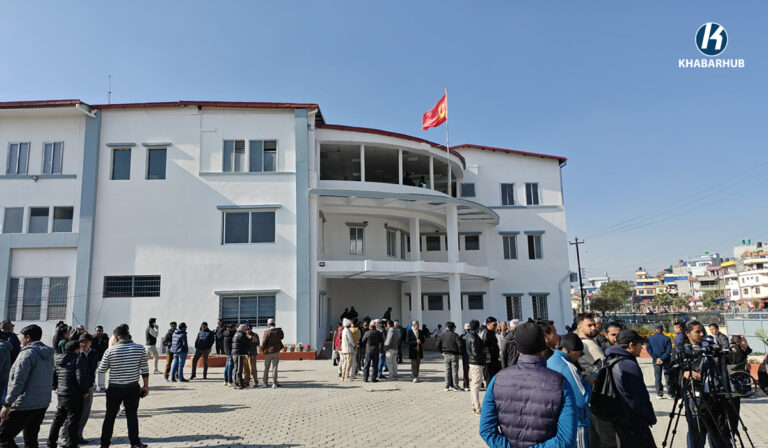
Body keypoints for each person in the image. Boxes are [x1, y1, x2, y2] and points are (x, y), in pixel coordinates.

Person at [479, 321, 576, 447]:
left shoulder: (497, 380)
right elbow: (566, 439)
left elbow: (486, 430)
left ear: (518, 349)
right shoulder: (560, 382)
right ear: (543, 347)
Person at [678, 320, 749, 448]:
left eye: (702, 331)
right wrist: (685, 373)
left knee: (719, 433)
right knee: (697, 434)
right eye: (697, 332)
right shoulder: (683, 350)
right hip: (696, 397)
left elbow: (730, 358)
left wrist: (743, 349)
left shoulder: (711, 347)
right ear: (688, 333)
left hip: (716, 396)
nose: (701, 334)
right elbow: (672, 371)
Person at [0, 325, 55, 448]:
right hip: (42, 403)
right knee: (31, 439)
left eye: (21, 336)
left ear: (28, 338)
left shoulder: (27, 354)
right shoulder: (48, 354)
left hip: (25, 404)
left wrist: (7, 404)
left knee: (3, 437)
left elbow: (18, 382)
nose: (20, 339)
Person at [96, 324, 150, 448]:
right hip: (132, 388)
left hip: (114, 389)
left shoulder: (110, 351)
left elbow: (101, 370)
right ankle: (135, 443)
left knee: (110, 417)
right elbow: (145, 370)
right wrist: (146, 386)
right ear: (128, 335)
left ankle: (104, 444)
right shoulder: (140, 348)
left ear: (116, 337)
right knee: (132, 416)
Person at [605, 330, 657, 447]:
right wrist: (650, 417)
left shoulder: (611, 358)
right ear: (631, 345)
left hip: (619, 418)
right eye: (640, 344)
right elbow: (640, 397)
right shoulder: (628, 365)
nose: (642, 347)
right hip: (633, 420)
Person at [575, 313, 614, 448]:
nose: (593, 328)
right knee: (607, 438)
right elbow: (605, 368)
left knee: (594, 438)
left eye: (594, 324)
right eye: (589, 325)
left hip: (590, 397)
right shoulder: (588, 345)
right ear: (580, 327)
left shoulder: (580, 343)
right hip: (598, 395)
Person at [547, 333, 592, 448]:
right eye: (579, 353)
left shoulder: (550, 361)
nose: (579, 356)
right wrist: (587, 383)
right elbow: (582, 400)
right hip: (577, 423)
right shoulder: (567, 366)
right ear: (567, 350)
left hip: (559, 422)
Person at [47, 340, 88, 448]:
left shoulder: (58, 359)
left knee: (58, 420)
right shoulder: (78, 359)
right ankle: (72, 444)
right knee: (73, 421)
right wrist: (85, 391)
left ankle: (51, 442)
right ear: (77, 349)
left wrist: (56, 387)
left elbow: (54, 375)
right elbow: (80, 377)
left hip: (61, 393)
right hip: (74, 394)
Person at [75, 334, 98, 446]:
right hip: (76, 387)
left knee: (85, 412)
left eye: (86, 341)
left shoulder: (94, 353)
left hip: (89, 386)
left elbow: (94, 368)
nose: (84, 344)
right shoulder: (76, 353)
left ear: (90, 343)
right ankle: (70, 435)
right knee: (75, 412)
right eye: (82, 341)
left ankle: (79, 434)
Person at [646, 323, 672, 399]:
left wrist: (656, 358)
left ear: (655, 329)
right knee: (668, 376)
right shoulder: (667, 338)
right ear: (662, 329)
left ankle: (659, 394)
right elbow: (668, 350)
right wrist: (662, 358)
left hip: (656, 360)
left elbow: (649, 349)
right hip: (666, 360)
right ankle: (670, 393)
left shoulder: (650, 338)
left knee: (658, 377)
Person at [466, 320, 485, 415]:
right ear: (478, 327)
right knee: (476, 385)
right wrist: (484, 356)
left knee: (474, 384)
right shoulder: (474, 337)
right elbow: (475, 352)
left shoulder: (469, 335)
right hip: (476, 362)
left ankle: (474, 404)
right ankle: (477, 407)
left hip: (472, 361)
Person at [437, 321, 462, 391]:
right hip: (454, 354)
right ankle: (455, 386)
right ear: (453, 328)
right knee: (455, 371)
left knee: (447, 370)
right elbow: (459, 344)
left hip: (446, 354)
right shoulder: (455, 335)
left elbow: (437, 345)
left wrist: (442, 351)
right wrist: (460, 353)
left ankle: (446, 386)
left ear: (447, 327)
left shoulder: (442, 335)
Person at [261, 318, 284, 388]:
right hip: (276, 351)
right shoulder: (279, 331)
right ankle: (274, 383)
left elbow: (264, 342)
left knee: (266, 368)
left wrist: (262, 349)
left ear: (269, 324)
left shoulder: (267, 332)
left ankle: (265, 383)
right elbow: (282, 337)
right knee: (275, 368)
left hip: (268, 352)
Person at [479, 317, 501, 382]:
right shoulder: (486, 333)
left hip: (495, 359)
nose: (495, 326)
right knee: (489, 378)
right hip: (489, 361)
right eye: (494, 325)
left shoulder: (492, 332)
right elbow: (484, 346)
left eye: (496, 325)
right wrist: (488, 359)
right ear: (488, 324)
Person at [231, 324, 250, 389]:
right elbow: (247, 341)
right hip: (239, 353)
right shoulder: (241, 334)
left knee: (236, 368)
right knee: (239, 369)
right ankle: (238, 384)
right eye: (245, 329)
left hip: (235, 353)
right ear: (243, 329)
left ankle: (236, 383)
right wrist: (249, 337)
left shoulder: (236, 333)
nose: (246, 330)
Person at [460, 323, 471, 390]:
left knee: (465, 371)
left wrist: (460, 353)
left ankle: (466, 385)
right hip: (472, 356)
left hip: (465, 356)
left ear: (464, 329)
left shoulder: (462, 336)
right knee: (474, 371)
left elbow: (460, 346)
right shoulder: (473, 335)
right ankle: (479, 384)